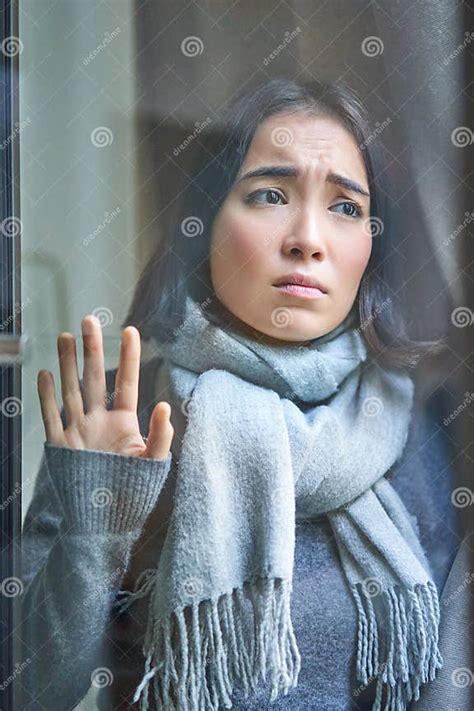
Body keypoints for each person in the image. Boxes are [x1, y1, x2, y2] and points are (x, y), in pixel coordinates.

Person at [20, 78, 462, 710]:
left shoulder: (414, 421)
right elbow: (29, 691)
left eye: (345, 207)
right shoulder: (127, 410)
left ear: (371, 243)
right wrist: (96, 529)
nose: (307, 237)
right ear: (205, 223)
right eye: (270, 194)